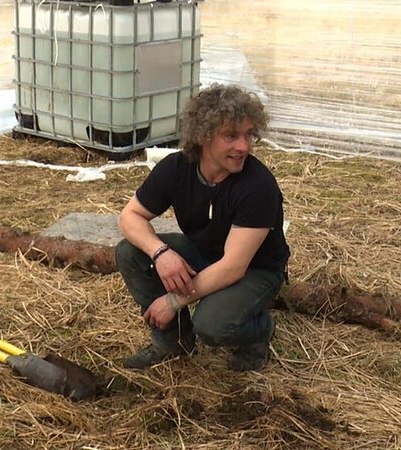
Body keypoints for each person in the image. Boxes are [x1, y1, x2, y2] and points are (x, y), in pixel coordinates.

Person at [115, 83, 290, 371]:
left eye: (249, 135)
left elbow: (233, 268)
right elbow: (129, 216)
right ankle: (173, 342)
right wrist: (160, 253)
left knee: (211, 325)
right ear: (202, 135)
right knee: (130, 253)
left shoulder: (258, 187)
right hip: (204, 253)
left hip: (255, 270)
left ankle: (259, 330)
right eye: (230, 135)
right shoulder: (176, 168)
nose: (244, 146)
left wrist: (172, 301)